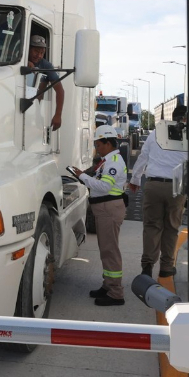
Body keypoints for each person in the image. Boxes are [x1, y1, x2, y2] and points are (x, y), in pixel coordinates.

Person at [68, 125, 128, 306]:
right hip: (105, 209)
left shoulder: (114, 162)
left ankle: (116, 293)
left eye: (98, 145)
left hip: (109, 209)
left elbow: (104, 186)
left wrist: (83, 177)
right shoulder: (107, 160)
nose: (97, 148)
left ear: (108, 143)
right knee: (106, 250)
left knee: (110, 251)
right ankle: (108, 285)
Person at [128, 104, 189, 277]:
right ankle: (166, 267)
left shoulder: (155, 133)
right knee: (171, 228)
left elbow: (143, 156)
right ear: (185, 119)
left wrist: (135, 179)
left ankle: (147, 266)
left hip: (154, 185)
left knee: (151, 226)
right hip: (176, 188)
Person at [27, 34, 64, 130]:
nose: (39, 55)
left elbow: (60, 91)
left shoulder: (46, 65)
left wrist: (58, 115)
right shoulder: (19, 58)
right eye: (36, 51)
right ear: (28, 49)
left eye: (42, 53)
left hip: (35, 108)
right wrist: (25, 63)